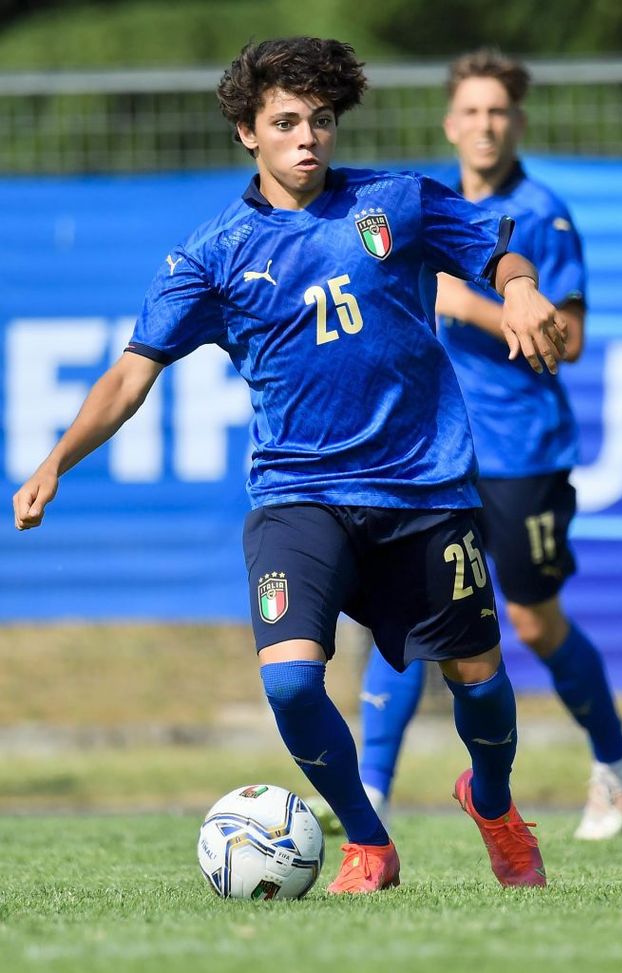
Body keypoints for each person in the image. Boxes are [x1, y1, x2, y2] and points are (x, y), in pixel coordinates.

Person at [13, 37, 568, 893]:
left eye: (320, 121)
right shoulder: (214, 254)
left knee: (480, 682)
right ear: (247, 133)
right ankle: (369, 842)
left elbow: (499, 248)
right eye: (285, 123)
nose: (307, 137)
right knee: (291, 685)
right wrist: (56, 461)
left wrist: (520, 287)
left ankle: (491, 802)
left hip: (422, 488)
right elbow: (130, 375)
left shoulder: (396, 203)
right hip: (298, 495)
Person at [358, 48, 622, 841]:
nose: (484, 125)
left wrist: (473, 302)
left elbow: (572, 338)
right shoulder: (421, 207)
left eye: (498, 112)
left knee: (529, 620)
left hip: (522, 449)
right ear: (450, 122)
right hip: (427, 452)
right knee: (400, 615)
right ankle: (367, 797)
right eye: (471, 111)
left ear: (515, 122)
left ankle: (618, 758)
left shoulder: (542, 213)